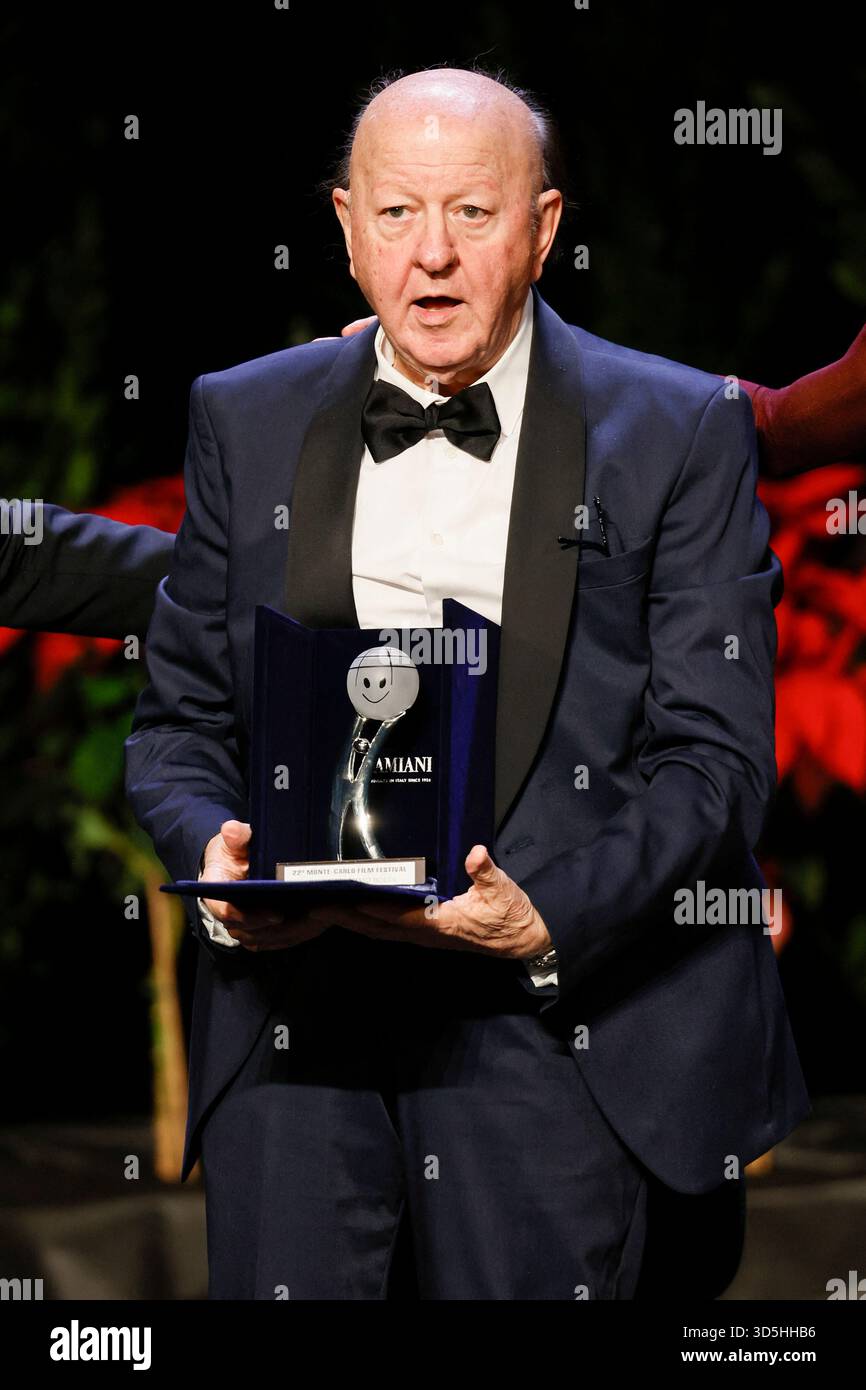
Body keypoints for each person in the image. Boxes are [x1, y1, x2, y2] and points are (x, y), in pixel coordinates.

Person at [122, 65, 811, 1301]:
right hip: (298, 1032)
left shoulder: (676, 427)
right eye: (396, 214)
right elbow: (176, 725)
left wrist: (549, 913)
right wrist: (216, 860)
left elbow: (713, 757)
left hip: (552, 1024)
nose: (430, 255)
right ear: (343, 229)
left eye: (471, 214)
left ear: (543, 230)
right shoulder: (242, 417)